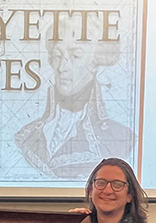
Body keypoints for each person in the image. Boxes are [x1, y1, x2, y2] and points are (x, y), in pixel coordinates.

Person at [15, 16, 135, 181]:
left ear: (95, 63)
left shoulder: (120, 137)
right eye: (57, 56)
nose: (62, 67)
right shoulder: (26, 135)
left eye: (75, 56)